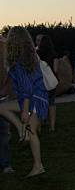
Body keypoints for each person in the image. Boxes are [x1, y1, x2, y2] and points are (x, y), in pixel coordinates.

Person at [0, 26, 48, 177]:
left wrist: (25, 112)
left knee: (32, 132)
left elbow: (27, 88)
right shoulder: (29, 57)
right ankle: (22, 129)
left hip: (33, 99)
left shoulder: (20, 62)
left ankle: (38, 166)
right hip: (36, 97)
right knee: (2, 108)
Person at [36, 35, 59, 132]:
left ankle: (39, 127)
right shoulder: (54, 54)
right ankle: (52, 127)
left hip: (40, 82)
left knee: (40, 104)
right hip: (51, 83)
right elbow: (56, 69)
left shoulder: (36, 54)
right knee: (51, 104)